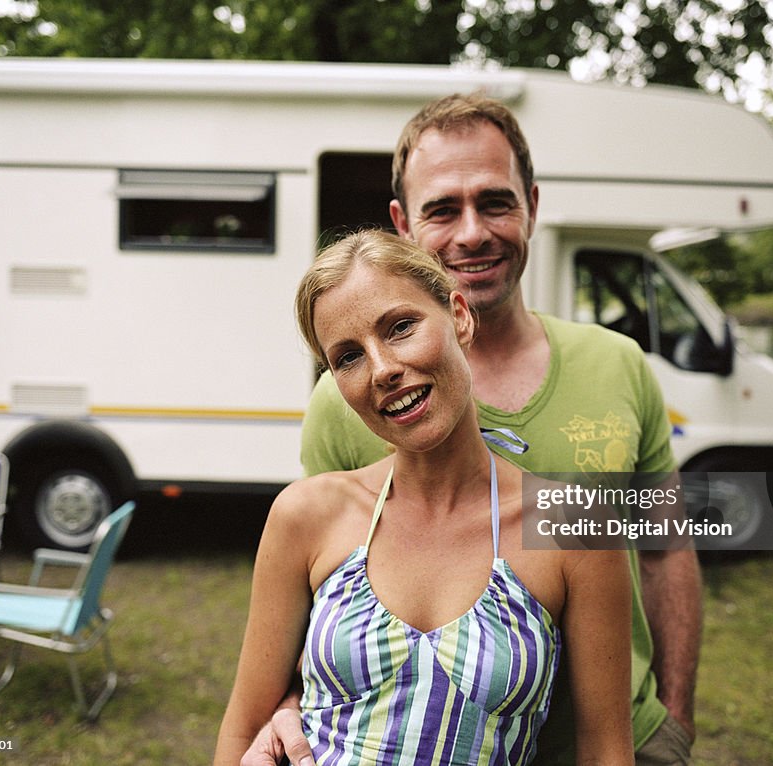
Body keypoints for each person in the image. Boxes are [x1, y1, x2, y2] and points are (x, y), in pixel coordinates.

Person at [247, 92, 702, 766]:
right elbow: (319, 593)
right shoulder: (344, 402)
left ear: (533, 206)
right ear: (402, 223)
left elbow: (665, 550)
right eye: (442, 208)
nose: (471, 233)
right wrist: (288, 703)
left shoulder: (617, 367)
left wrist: (675, 719)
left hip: (622, 741)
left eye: (494, 202)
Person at [215, 230, 634, 765]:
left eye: (401, 328)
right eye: (348, 357)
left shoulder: (577, 527)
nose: (383, 369)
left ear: (459, 315)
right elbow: (243, 729)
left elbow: (604, 751)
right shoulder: (308, 515)